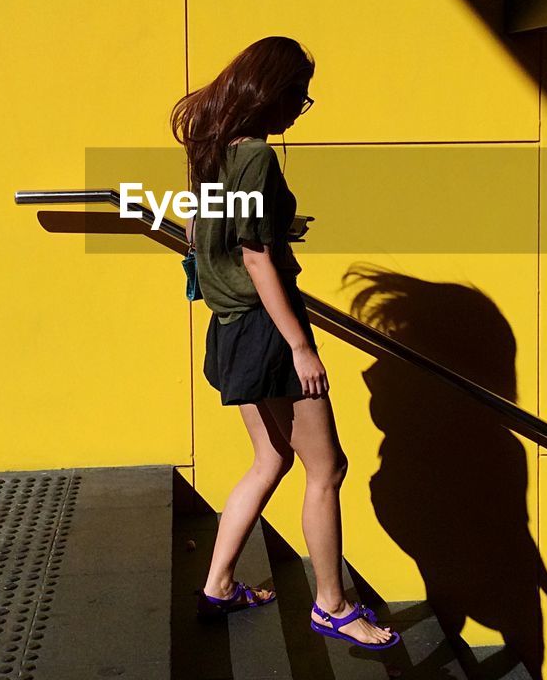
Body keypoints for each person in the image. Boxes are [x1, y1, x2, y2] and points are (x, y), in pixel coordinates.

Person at [169, 35, 399, 649]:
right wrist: (301, 346)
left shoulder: (211, 148)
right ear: (272, 92)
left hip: (228, 327)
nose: (302, 105)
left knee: (271, 458)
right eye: (298, 94)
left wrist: (273, 230)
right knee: (328, 469)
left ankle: (218, 583)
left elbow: (201, 230)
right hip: (268, 330)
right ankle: (332, 604)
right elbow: (256, 254)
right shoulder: (259, 159)